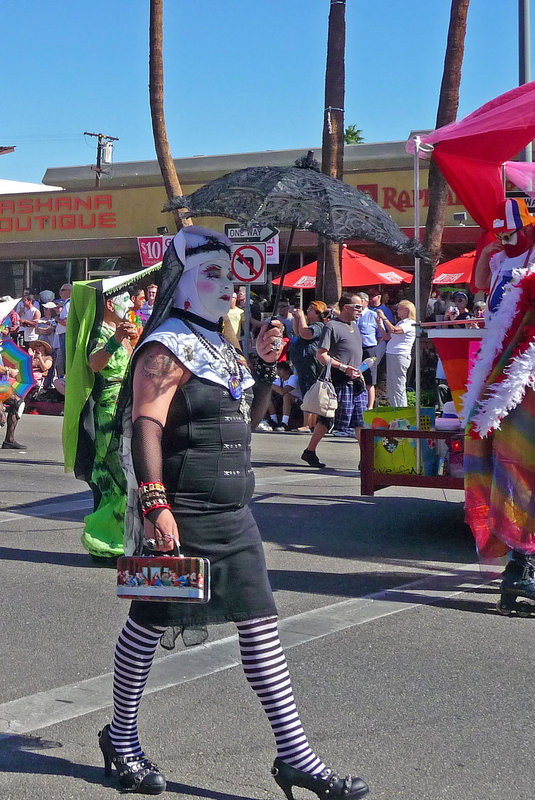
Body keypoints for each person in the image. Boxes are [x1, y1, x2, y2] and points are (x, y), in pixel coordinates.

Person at [97, 227, 369, 799]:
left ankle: (297, 759)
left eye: (231, 275)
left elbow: (244, 423)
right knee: (148, 625)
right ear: (183, 280)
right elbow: (146, 424)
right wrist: (154, 505)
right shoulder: (166, 346)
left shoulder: (219, 346)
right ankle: (121, 740)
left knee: (262, 628)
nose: (229, 287)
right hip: (181, 509)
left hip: (232, 510)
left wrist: (267, 367)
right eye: (212, 274)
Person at [464, 198, 535, 613]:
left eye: (510, 232)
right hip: (518, 381)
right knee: (520, 472)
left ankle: (519, 569)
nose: (505, 240)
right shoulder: (511, 262)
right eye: (502, 234)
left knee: (514, 472)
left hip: (502, 377)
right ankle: (522, 569)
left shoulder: (497, 261)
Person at [80, 290, 137, 561]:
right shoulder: (102, 331)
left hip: (128, 404)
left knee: (128, 473)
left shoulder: (123, 330)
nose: (132, 303)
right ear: (111, 303)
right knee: (114, 472)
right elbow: (94, 363)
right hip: (109, 408)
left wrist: (134, 341)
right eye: (127, 298)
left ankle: (122, 539)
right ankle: (105, 543)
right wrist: (115, 341)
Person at [302, 293, 367, 466]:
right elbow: (321, 355)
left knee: (361, 420)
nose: (360, 310)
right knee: (328, 417)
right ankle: (310, 451)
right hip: (338, 380)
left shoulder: (355, 325)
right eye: (357, 307)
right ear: (346, 307)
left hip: (357, 380)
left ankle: (365, 459)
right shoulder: (331, 326)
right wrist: (344, 367)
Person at [290, 300, 327, 431]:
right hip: (303, 364)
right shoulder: (309, 324)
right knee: (306, 392)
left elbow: (306, 334)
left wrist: (301, 317)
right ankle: (307, 423)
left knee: (311, 392)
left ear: (319, 313)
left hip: (312, 364)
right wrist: (296, 319)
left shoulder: (319, 326)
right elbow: (298, 332)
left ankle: (310, 424)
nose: (308, 310)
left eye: (311, 309)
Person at [376, 300, 416, 408]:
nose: (397, 311)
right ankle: (395, 408)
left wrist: (384, 318)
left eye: (400, 309)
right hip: (393, 354)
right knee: (391, 385)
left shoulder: (409, 323)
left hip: (400, 355)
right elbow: (387, 337)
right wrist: (380, 325)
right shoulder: (401, 322)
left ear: (407, 310)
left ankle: (402, 408)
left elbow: (394, 330)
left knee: (398, 385)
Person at [355, 292, 378, 410]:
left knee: (370, 379)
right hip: (355, 350)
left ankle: (369, 407)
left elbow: (380, 335)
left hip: (369, 349)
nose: (357, 305)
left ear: (365, 302)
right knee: (355, 376)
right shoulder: (353, 316)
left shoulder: (373, 315)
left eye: (359, 301)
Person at [268, 361, 302, 431]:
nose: (278, 371)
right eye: (277, 369)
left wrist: (269, 384)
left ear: (287, 370)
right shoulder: (279, 380)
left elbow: (283, 391)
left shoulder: (293, 378)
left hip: (299, 404)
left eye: (280, 369)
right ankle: (274, 421)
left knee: (287, 395)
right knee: (267, 396)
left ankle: (284, 423)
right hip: (285, 403)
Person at [0, 354, 24, 449]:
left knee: (18, 403)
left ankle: (9, 440)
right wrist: (9, 371)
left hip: (3, 385)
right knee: (1, 419)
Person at [55, 284, 72, 374]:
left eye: (63, 290)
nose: (60, 292)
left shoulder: (68, 304)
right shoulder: (68, 303)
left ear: (70, 291)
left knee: (66, 360)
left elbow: (66, 322)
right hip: (64, 334)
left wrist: (57, 318)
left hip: (66, 335)